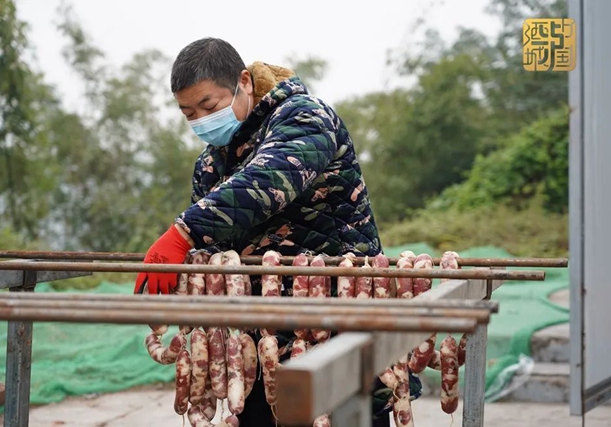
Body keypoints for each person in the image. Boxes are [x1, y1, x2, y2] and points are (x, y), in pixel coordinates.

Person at [133, 37, 420, 426]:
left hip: (338, 328)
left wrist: (184, 233)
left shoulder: (305, 117)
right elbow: (218, 252)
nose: (200, 120)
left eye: (209, 106)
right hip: (260, 347)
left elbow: (269, 179)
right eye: (188, 113)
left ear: (245, 82)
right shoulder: (210, 165)